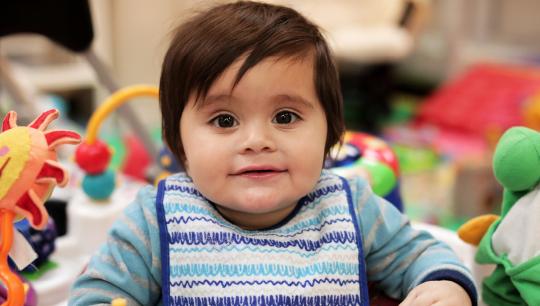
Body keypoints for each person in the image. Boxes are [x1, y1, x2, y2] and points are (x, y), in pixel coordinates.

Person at [69, 1, 477, 305]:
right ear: (178, 143)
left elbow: (420, 251)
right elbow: (99, 290)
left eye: (285, 116)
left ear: (330, 133)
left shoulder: (351, 208)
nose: (257, 140)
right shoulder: (155, 220)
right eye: (225, 121)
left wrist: (443, 284)